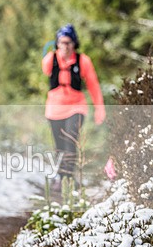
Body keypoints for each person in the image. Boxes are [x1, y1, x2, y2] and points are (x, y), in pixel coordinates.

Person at [42, 24, 105, 192]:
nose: (65, 46)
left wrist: (100, 108)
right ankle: (62, 178)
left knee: (70, 142)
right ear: (57, 43)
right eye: (62, 42)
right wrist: (55, 55)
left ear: (74, 43)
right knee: (59, 146)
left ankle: (68, 180)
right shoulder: (51, 59)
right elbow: (45, 69)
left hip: (76, 107)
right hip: (54, 109)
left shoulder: (83, 60)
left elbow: (93, 85)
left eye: (68, 42)